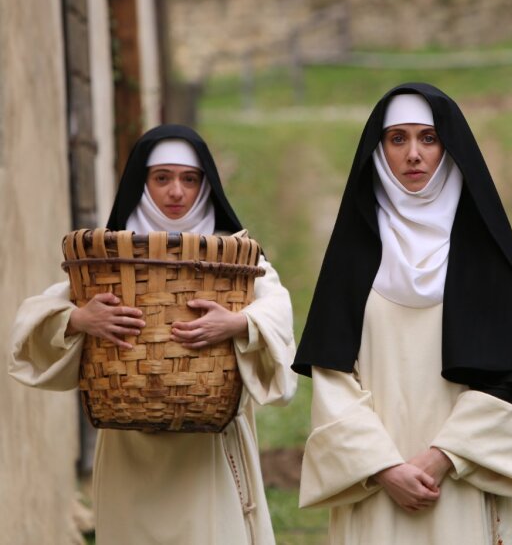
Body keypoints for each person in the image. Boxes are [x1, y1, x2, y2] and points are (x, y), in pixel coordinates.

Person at [9, 124, 297, 545]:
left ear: (205, 185)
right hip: (128, 448)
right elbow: (34, 318)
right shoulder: (109, 257)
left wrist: (237, 324)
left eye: (189, 179)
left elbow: (278, 307)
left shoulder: (233, 253)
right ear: (142, 183)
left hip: (207, 450)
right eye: (162, 178)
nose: (176, 192)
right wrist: (79, 319)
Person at [293, 83, 512, 544]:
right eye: (398, 139)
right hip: (377, 488)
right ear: (379, 150)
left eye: (428, 139)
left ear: (448, 147)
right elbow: (333, 377)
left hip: (464, 480)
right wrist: (385, 467)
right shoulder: (354, 256)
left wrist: (442, 457)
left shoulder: (484, 253)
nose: (414, 154)